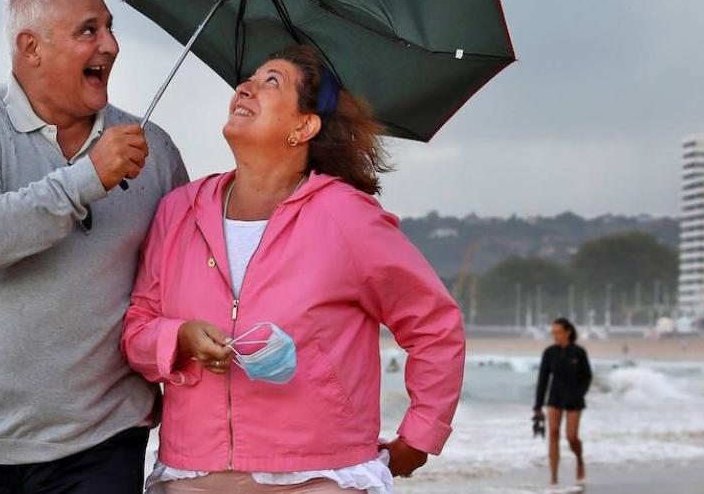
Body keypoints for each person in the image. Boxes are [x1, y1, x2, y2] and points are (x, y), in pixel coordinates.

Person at [123, 44, 466, 493]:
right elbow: (136, 330)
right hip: (193, 474)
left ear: (304, 126)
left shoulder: (348, 217)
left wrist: (420, 436)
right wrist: (179, 337)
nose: (245, 88)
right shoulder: (179, 211)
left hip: (320, 475)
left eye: (272, 82)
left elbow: (434, 325)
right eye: (249, 78)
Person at [0, 0, 188, 494]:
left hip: (105, 435)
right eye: (89, 31)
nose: (109, 45)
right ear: (30, 47)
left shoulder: (154, 148)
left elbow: (189, 275)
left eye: (110, 29)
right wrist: (89, 179)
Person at [533, 317, 593, 486]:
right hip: (555, 398)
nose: (555, 336)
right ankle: (553, 477)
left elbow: (587, 376)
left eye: (558, 332)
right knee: (553, 433)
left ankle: (579, 458)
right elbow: (543, 380)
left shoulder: (578, 352)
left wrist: (580, 393)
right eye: (553, 333)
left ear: (568, 332)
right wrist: (538, 406)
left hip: (574, 399)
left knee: (572, 436)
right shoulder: (549, 352)